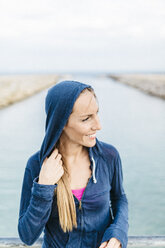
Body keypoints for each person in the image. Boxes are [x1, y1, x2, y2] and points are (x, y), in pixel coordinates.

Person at [18, 80, 128, 248]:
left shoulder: (109, 156)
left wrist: (117, 234)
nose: (98, 125)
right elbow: (27, 236)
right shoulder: (36, 165)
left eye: (96, 114)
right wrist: (44, 186)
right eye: (86, 119)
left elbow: (119, 198)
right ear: (61, 123)